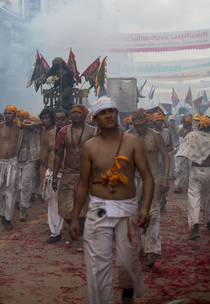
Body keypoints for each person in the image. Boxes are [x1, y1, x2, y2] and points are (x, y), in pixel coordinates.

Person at [69, 97, 154, 304]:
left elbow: (147, 176)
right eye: (103, 112)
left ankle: (127, 289)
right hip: (99, 209)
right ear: (95, 118)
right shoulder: (89, 147)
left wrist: (145, 208)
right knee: (99, 265)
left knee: (127, 261)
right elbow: (82, 184)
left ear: (117, 114)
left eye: (112, 111)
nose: (108, 115)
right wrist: (74, 219)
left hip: (128, 209)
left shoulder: (132, 142)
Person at [0, 106, 42, 230]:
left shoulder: (19, 127)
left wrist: (46, 120)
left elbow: (34, 125)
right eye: (5, 113)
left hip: (13, 162)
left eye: (10, 114)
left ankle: (8, 218)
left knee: (11, 191)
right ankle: (2, 212)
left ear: (14, 115)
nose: (7, 116)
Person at [53, 104, 95, 252]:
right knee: (64, 207)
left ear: (85, 115)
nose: (76, 115)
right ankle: (74, 230)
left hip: (85, 174)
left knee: (83, 208)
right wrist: (54, 176)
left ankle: (80, 237)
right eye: (73, 113)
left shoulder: (92, 132)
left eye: (79, 113)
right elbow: (58, 154)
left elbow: (98, 155)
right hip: (68, 173)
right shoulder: (64, 132)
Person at [131, 108, 169, 266]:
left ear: (146, 122)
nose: (139, 128)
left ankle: (151, 250)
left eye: (141, 124)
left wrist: (165, 179)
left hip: (154, 176)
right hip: (135, 177)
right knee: (136, 212)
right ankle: (140, 246)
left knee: (153, 212)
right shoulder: (130, 137)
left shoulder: (155, 136)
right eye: (136, 125)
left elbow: (166, 157)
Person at [175, 115, 210, 240]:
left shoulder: (192, 136)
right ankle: (209, 223)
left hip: (196, 171)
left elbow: (183, 152)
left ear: (200, 125)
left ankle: (195, 227)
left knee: (194, 198)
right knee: (209, 198)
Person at [43, 108, 69, 244]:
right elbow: (46, 153)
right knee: (52, 203)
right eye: (57, 119)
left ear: (68, 119)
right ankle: (55, 233)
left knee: (70, 204)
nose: (59, 121)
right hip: (53, 173)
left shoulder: (73, 133)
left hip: (69, 174)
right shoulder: (50, 133)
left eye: (62, 118)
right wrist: (47, 170)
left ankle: (76, 231)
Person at [16, 110, 41, 222]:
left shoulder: (33, 127)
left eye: (19, 116)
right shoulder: (16, 127)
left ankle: (23, 208)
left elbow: (30, 126)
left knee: (25, 184)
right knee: (17, 185)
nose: (16, 118)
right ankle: (18, 203)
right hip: (16, 159)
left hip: (30, 159)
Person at [153, 112, 174, 213]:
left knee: (164, 179)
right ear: (154, 122)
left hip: (164, 159)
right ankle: (158, 201)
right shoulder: (151, 132)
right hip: (154, 159)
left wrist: (164, 150)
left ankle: (162, 200)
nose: (160, 122)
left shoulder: (166, 132)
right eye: (157, 120)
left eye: (161, 120)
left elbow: (171, 146)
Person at [174, 116, 193, 194]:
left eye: (184, 122)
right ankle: (179, 186)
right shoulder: (185, 131)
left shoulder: (192, 132)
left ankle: (191, 186)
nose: (183, 124)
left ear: (188, 123)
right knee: (182, 170)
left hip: (191, 153)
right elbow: (180, 133)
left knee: (191, 170)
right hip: (184, 153)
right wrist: (184, 126)